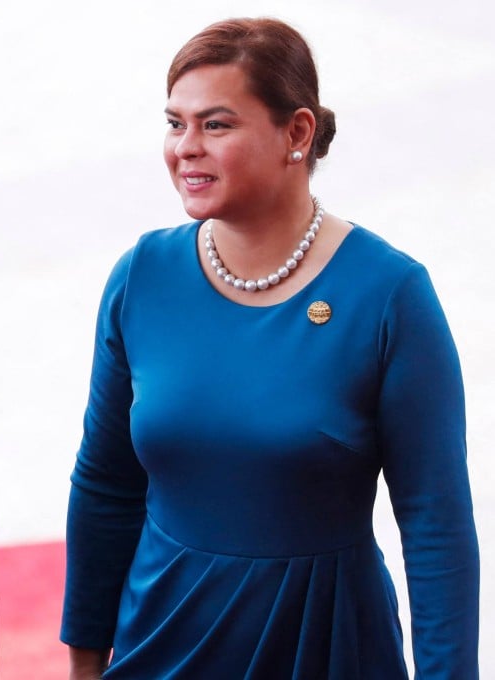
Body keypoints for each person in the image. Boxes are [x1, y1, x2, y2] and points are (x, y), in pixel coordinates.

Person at [60, 17, 479, 679]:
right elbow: (105, 486)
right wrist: (85, 662)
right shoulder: (142, 276)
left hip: (327, 643)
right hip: (163, 642)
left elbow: (435, 523)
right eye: (175, 124)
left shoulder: (390, 294)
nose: (185, 149)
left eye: (216, 125)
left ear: (298, 133)